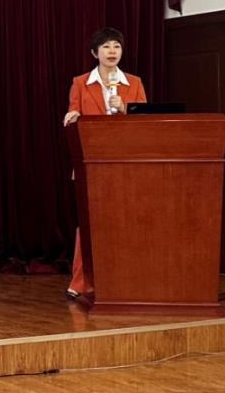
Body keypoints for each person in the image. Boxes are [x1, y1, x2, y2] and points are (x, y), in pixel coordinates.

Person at [61, 27, 147, 300]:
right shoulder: (80, 83)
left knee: (125, 221)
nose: (112, 52)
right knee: (89, 223)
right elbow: (73, 113)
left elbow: (146, 121)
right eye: (106, 47)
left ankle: (124, 279)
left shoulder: (133, 83)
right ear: (94, 52)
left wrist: (124, 107)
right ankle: (81, 281)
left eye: (116, 46)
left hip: (125, 163)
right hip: (91, 162)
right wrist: (73, 115)